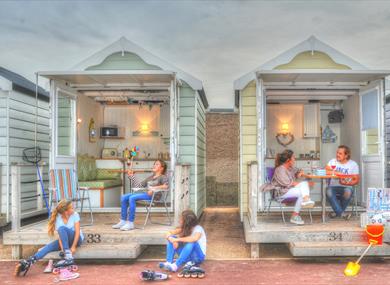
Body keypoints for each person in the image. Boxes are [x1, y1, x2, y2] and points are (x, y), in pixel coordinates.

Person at [15, 199, 84, 276]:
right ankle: (29, 262)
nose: (73, 209)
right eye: (71, 208)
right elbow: (61, 237)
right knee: (48, 247)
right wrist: (63, 251)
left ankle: (68, 258)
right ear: (65, 212)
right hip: (65, 241)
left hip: (77, 239)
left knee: (62, 228)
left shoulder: (75, 215)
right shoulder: (58, 218)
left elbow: (77, 232)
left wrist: (73, 247)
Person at [112, 159, 169, 231]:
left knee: (132, 198)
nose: (154, 165)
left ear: (162, 168)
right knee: (124, 197)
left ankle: (130, 223)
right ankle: (123, 221)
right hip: (146, 194)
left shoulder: (162, 177)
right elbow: (139, 186)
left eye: (157, 164)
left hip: (154, 196)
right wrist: (132, 176)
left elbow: (166, 186)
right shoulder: (151, 177)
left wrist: (153, 188)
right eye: (154, 164)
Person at [270, 149, 315, 225]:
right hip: (280, 192)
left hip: (288, 190)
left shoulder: (289, 168)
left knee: (304, 187)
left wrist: (299, 173)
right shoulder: (280, 169)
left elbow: (297, 170)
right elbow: (287, 183)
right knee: (303, 189)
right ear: (288, 160)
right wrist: (303, 184)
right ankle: (302, 205)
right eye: (293, 157)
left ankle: (305, 201)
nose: (294, 159)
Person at [326, 145, 359, 220]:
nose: (337, 155)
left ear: (346, 155)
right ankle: (342, 213)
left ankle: (337, 212)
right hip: (333, 187)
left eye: (340, 153)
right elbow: (326, 171)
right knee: (328, 191)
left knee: (348, 192)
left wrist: (346, 183)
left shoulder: (353, 164)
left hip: (346, 187)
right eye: (337, 152)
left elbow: (356, 180)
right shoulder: (333, 162)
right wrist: (337, 173)